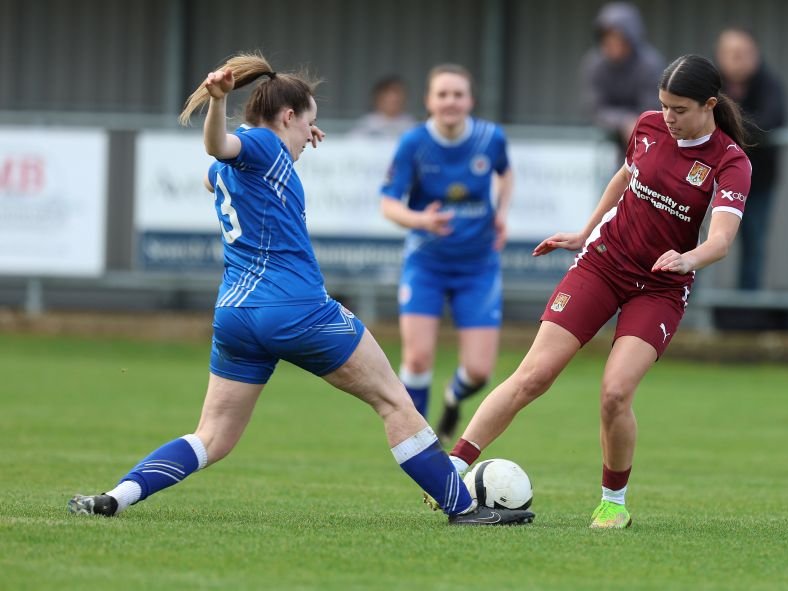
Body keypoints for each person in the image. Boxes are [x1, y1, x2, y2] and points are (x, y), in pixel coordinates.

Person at [67, 52, 533, 526]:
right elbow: (218, 146)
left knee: (212, 437)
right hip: (298, 309)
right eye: (308, 123)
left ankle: (117, 496)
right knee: (394, 401)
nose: (312, 136)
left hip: (235, 316)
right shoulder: (261, 146)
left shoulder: (247, 162)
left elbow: (218, 169)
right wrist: (219, 102)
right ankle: (464, 508)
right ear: (287, 116)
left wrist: (290, 139)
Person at [444, 54, 752, 529]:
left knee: (615, 394)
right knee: (534, 375)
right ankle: (451, 471)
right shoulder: (647, 127)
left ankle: (613, 503)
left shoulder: (730, 161)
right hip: (603, 264)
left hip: (661, 287)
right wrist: (585, 231)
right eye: (663, 105)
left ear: (709, 105)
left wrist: (688, 259)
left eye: (679, 109)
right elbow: (626, 177)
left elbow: (722, 239)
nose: (668, 117)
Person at [380, 64, 514, 445]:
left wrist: (502, 213)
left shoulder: (491, 138)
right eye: (442, 94)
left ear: (470, 100)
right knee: (417, 358)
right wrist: (421, 220)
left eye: (458, 94)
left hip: (478, 265)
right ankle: (418, 445)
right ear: (429, 101)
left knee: (479, 371)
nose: (450, 101)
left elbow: (506, 174)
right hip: (427, 263)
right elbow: (388, 204)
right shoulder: (413, 143)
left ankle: (453, 398)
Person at [716, 27, 786, 290]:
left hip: (758, 183)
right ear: (720, 55)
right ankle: (687, 303)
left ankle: (747, 309)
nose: (737, 59)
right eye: (731, 53)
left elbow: (769, 123)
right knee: (697, 242)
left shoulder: (770, 85)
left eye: (743, 53)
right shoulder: (710, 84)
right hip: (712, 182)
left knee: (753, 247)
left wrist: (724, 128)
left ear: (756, 55)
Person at [579, 2, 665, 155]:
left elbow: (654, 108)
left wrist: (637, 123)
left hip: (646, 138)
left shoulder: (650, 64)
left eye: (618, 37)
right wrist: (624, 121)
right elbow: (594, 109)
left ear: (631, 37)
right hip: (604, 140)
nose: (611, 43)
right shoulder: (594, 64)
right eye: (606, 37)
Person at [349, 75, 417, 138]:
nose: (393, 99)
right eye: (387, 95)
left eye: (398, 94)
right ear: (377, 97)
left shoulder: (411, 125)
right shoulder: (366, 124)